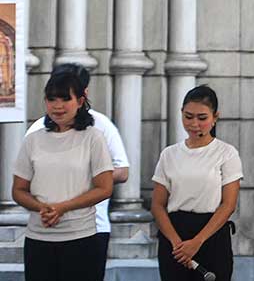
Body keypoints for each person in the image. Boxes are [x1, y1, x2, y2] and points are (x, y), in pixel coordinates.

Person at [12, 68, 114, 281]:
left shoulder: (93, 138)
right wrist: (41, 208)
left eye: (65, 99)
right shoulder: (33, 139)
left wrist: (62, 208)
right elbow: (19, 190)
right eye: (52, 99)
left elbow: (104, 188)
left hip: (81, 237)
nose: (57, 106)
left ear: (80, 101)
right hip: (38, 237)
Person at [26, 62, 130, 268]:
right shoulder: (36, 131)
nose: (59, 104)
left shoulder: (100, 128)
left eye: (66, 97)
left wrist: (85, 178)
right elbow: (22, 182)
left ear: (83, 96)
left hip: (91, 226)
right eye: (55, 96)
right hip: (45, 228)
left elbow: (122, 171)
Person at [151, 85, 242, 281]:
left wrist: (197, 242)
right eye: (188, 117)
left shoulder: (226, 153)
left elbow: (228, 205)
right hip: (174, 236)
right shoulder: (169, 154)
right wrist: (176, 243)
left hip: (211, 234)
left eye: (202, 118)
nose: (194, 124)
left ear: (215, 117)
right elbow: (158, 204)